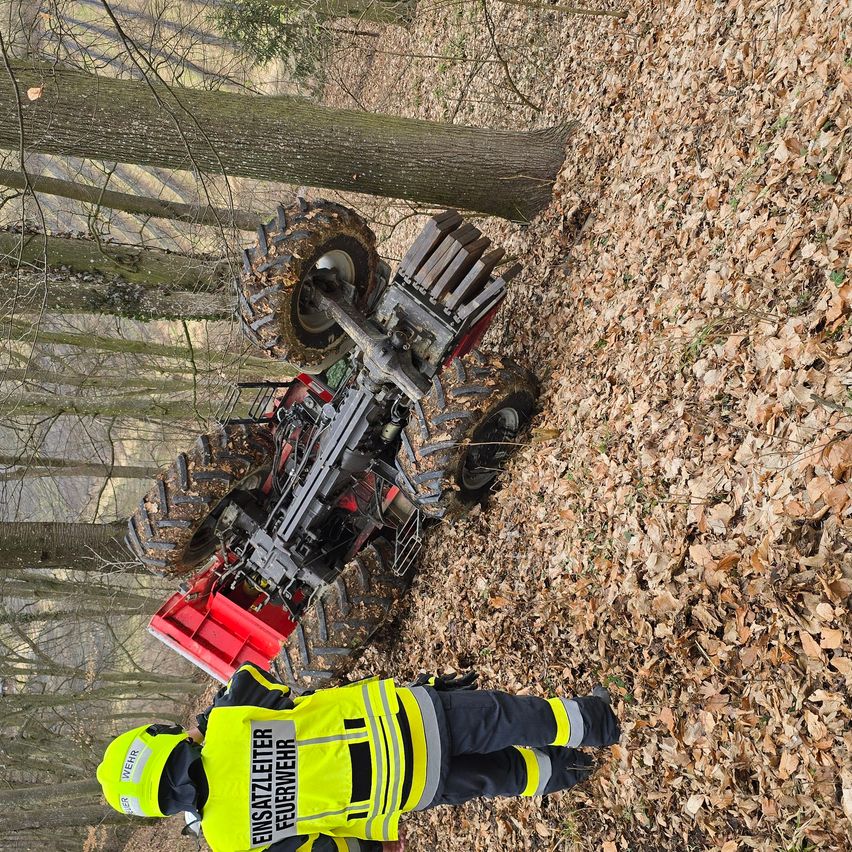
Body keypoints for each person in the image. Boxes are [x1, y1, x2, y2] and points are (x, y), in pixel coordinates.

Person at [97, 662, 620, 851]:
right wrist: (209, 720)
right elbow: (254, 678)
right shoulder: (229, 723)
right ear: (166, 740)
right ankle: (596, 721)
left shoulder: (232, 842)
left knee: (498, 776)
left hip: (410, 791)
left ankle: (570, 771)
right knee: (506, 719)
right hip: (410, 720)